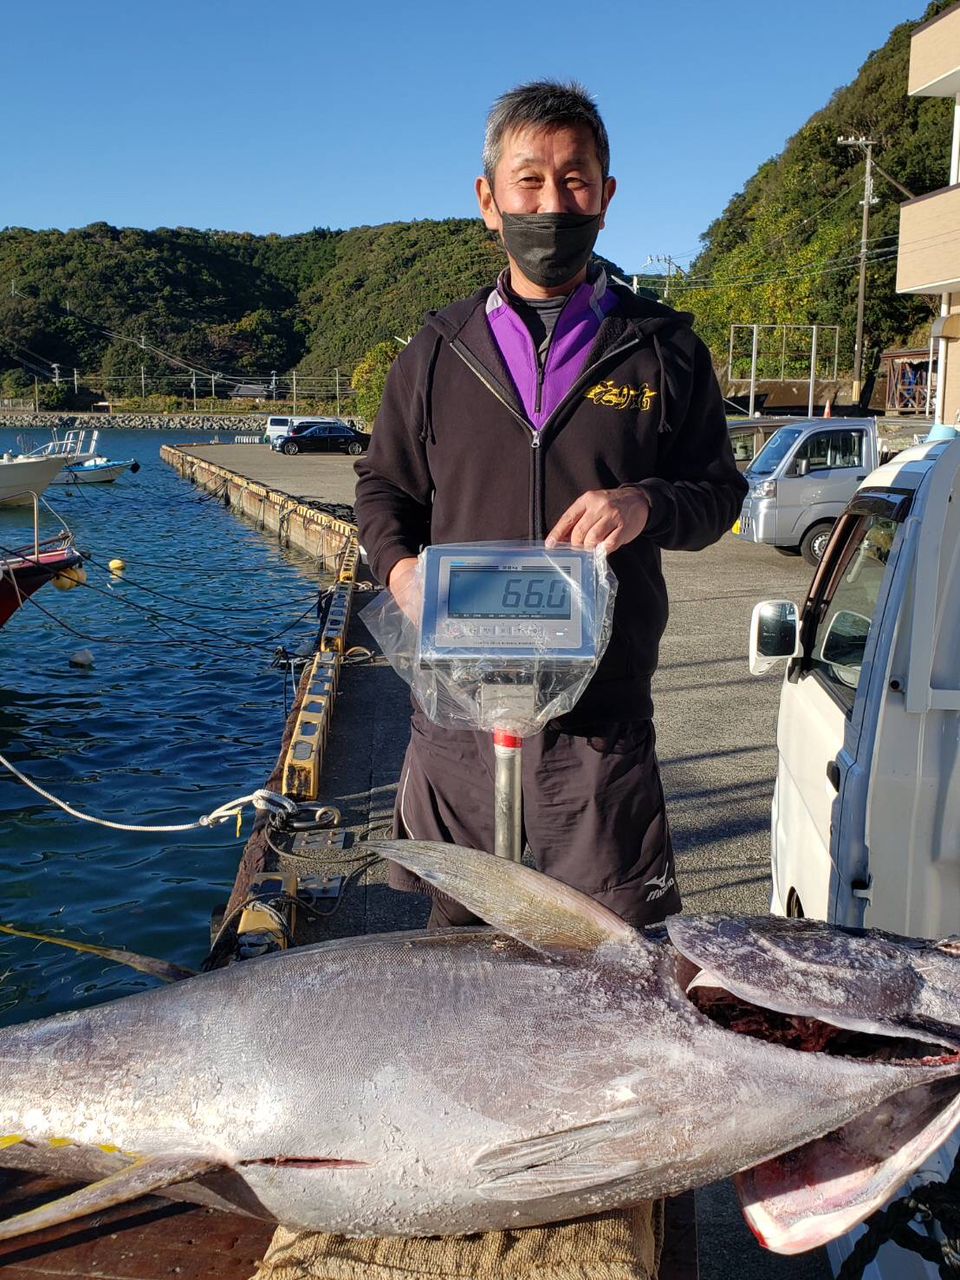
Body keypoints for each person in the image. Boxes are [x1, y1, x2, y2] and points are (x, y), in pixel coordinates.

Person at [355, 80, 747, 930]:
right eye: (529, 181)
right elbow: (382, 486)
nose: (552, 203)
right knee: (458, 952)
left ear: (606, 197)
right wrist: (400, 568)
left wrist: (645, 504)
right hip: (459, 710)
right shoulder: (435, 352)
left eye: (575, 181)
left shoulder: (665, 347)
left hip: (599, 725)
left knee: (609, 960)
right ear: (488, 201)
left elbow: (720, 495)